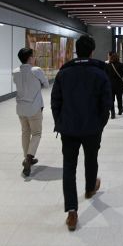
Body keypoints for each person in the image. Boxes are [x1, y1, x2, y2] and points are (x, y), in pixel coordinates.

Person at [51, 35, 112, 231]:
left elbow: (55, 102)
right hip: (92, 127)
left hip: (68, 127)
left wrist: (59, 121)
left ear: (76, 50)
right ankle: (89, 188)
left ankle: (71, 211)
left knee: (69, 167)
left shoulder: (64, 73)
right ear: (92, 51)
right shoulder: (100, 73)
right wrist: (100, 124)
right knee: (91, 158)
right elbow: (106, 104)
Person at [12, 48, 49, 177]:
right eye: (33, 56)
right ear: (29, 57)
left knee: (25, 132)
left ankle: (27, 158)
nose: (34, 58)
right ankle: (29, 158)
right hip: (34, 107)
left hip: (21, 108)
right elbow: (46, 84)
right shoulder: (36, 70)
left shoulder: (15, 71)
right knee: (37, 133)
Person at [105, 52, 123, 119]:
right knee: (119, 98)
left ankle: (112, 113)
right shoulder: (120, 65)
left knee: (112, 99)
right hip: (119, 85)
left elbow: (105, 76)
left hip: (110, 85)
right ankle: (120, 110)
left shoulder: (108, 65)